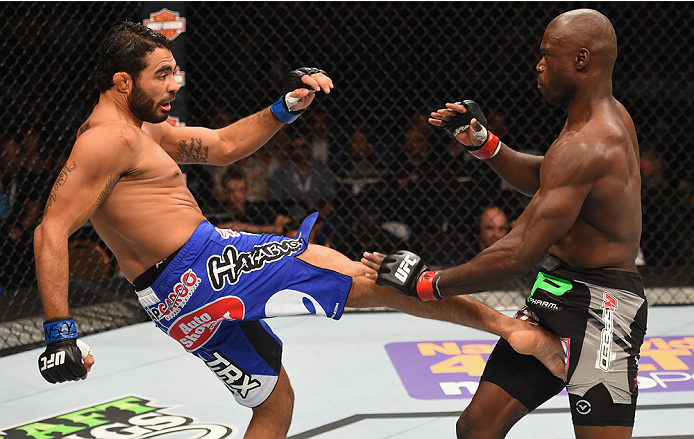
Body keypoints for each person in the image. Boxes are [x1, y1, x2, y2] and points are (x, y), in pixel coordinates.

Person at [33, 22, 565, 439]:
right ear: (123, 82)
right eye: (162, 74)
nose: (177, 83)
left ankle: (507, 328)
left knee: (274, 401)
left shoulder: (137, 129)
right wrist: (60, 333)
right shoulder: (107, 140)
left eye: (175, 71)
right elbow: (50, 231)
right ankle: (512, 329)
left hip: (172, 301)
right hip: (207, 267)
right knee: (373, 277)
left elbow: (220, 147)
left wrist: (283, 109)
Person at [363, 9, 647, 439]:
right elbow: (548, 177)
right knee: (477, 427)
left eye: (547, 54)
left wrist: (429, 283)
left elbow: (518, 254)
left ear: (582, 59)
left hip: (603, 308)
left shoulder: (591, 142)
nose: (539, 64)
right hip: (557, 290)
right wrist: (486, 145)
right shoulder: (597, 122)